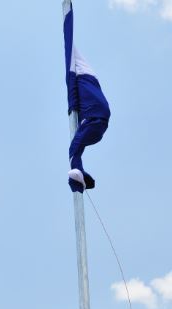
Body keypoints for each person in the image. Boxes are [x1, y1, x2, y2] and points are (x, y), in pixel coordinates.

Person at [64, 2, 110, 193]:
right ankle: (82, 175)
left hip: (95, 120)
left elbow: (74, 83)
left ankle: (79, 177)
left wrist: (71, 105)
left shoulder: (82, 77)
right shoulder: (89, 86)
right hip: (98, 122)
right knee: (76, 147)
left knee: (74, 147)